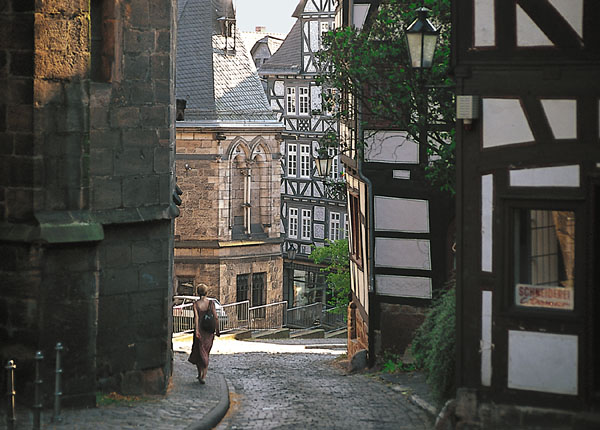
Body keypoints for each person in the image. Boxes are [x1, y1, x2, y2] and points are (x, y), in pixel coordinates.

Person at [188, 284, 220, 384]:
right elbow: (216, 317)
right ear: (206, 292)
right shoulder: (211, 303)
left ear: (198, 292)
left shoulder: (196, 304)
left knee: (199, 351)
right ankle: (203, 375)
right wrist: (217, 330)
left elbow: (196, 318)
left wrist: (197, 330)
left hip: (200, 331)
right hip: (209, 331)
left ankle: (200, 373)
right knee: (206, 352)